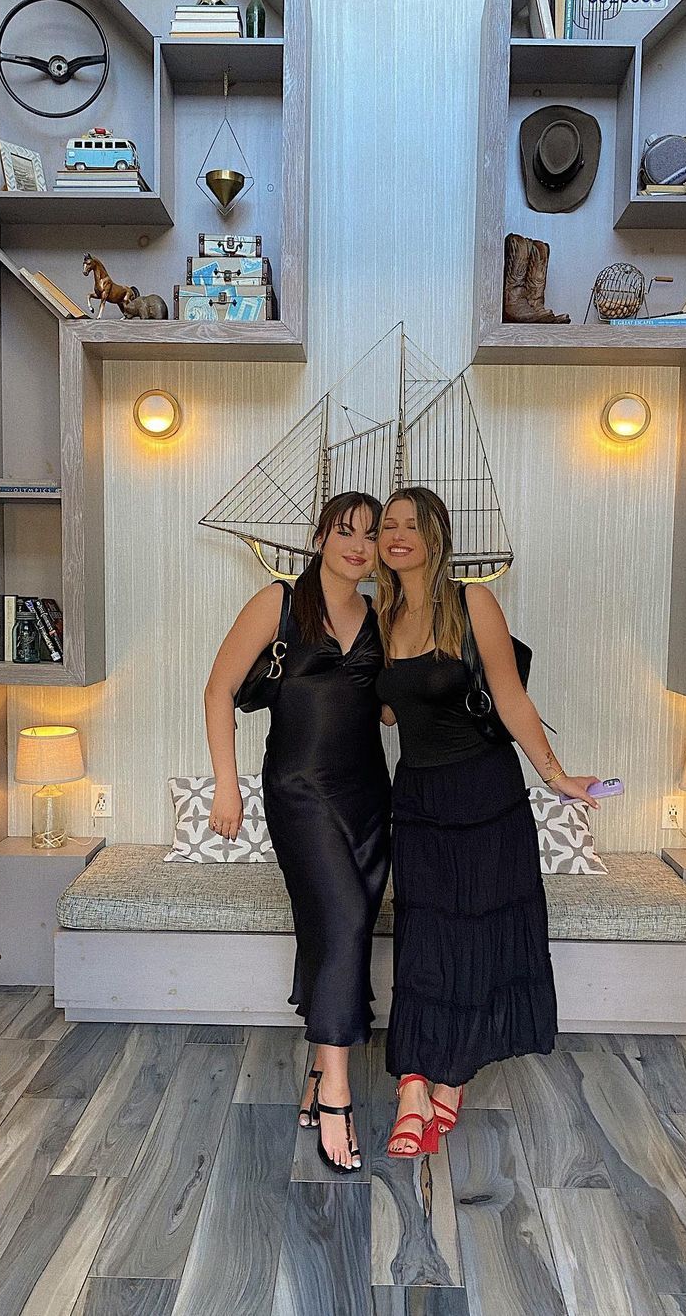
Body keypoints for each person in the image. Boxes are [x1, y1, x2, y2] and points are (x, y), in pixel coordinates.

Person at [374, 487, 600, 1157]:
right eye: (387, 525)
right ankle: (414, 1082)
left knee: (474, 937)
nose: (397, 534)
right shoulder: (382, 617)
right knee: (423, 938)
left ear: (436, 536)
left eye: (412, 524)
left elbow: (512, 700)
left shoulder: (473, 603)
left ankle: (449, 1075)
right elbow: (388, 712)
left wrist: (556, 776)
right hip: (418, 798)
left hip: (484, 795)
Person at [204, 492, 390, 1173]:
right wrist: (227, 784)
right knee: (342, 918)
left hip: (369, 796)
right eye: (345, 531)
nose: (358, 546)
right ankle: (338, 1092)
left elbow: (389, 714)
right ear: (319, 537)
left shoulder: (381, 615)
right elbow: (218, 689)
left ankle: (317, 1067)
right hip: (299, 791)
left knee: (338, 926)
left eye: (370, 535)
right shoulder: (279, 602)